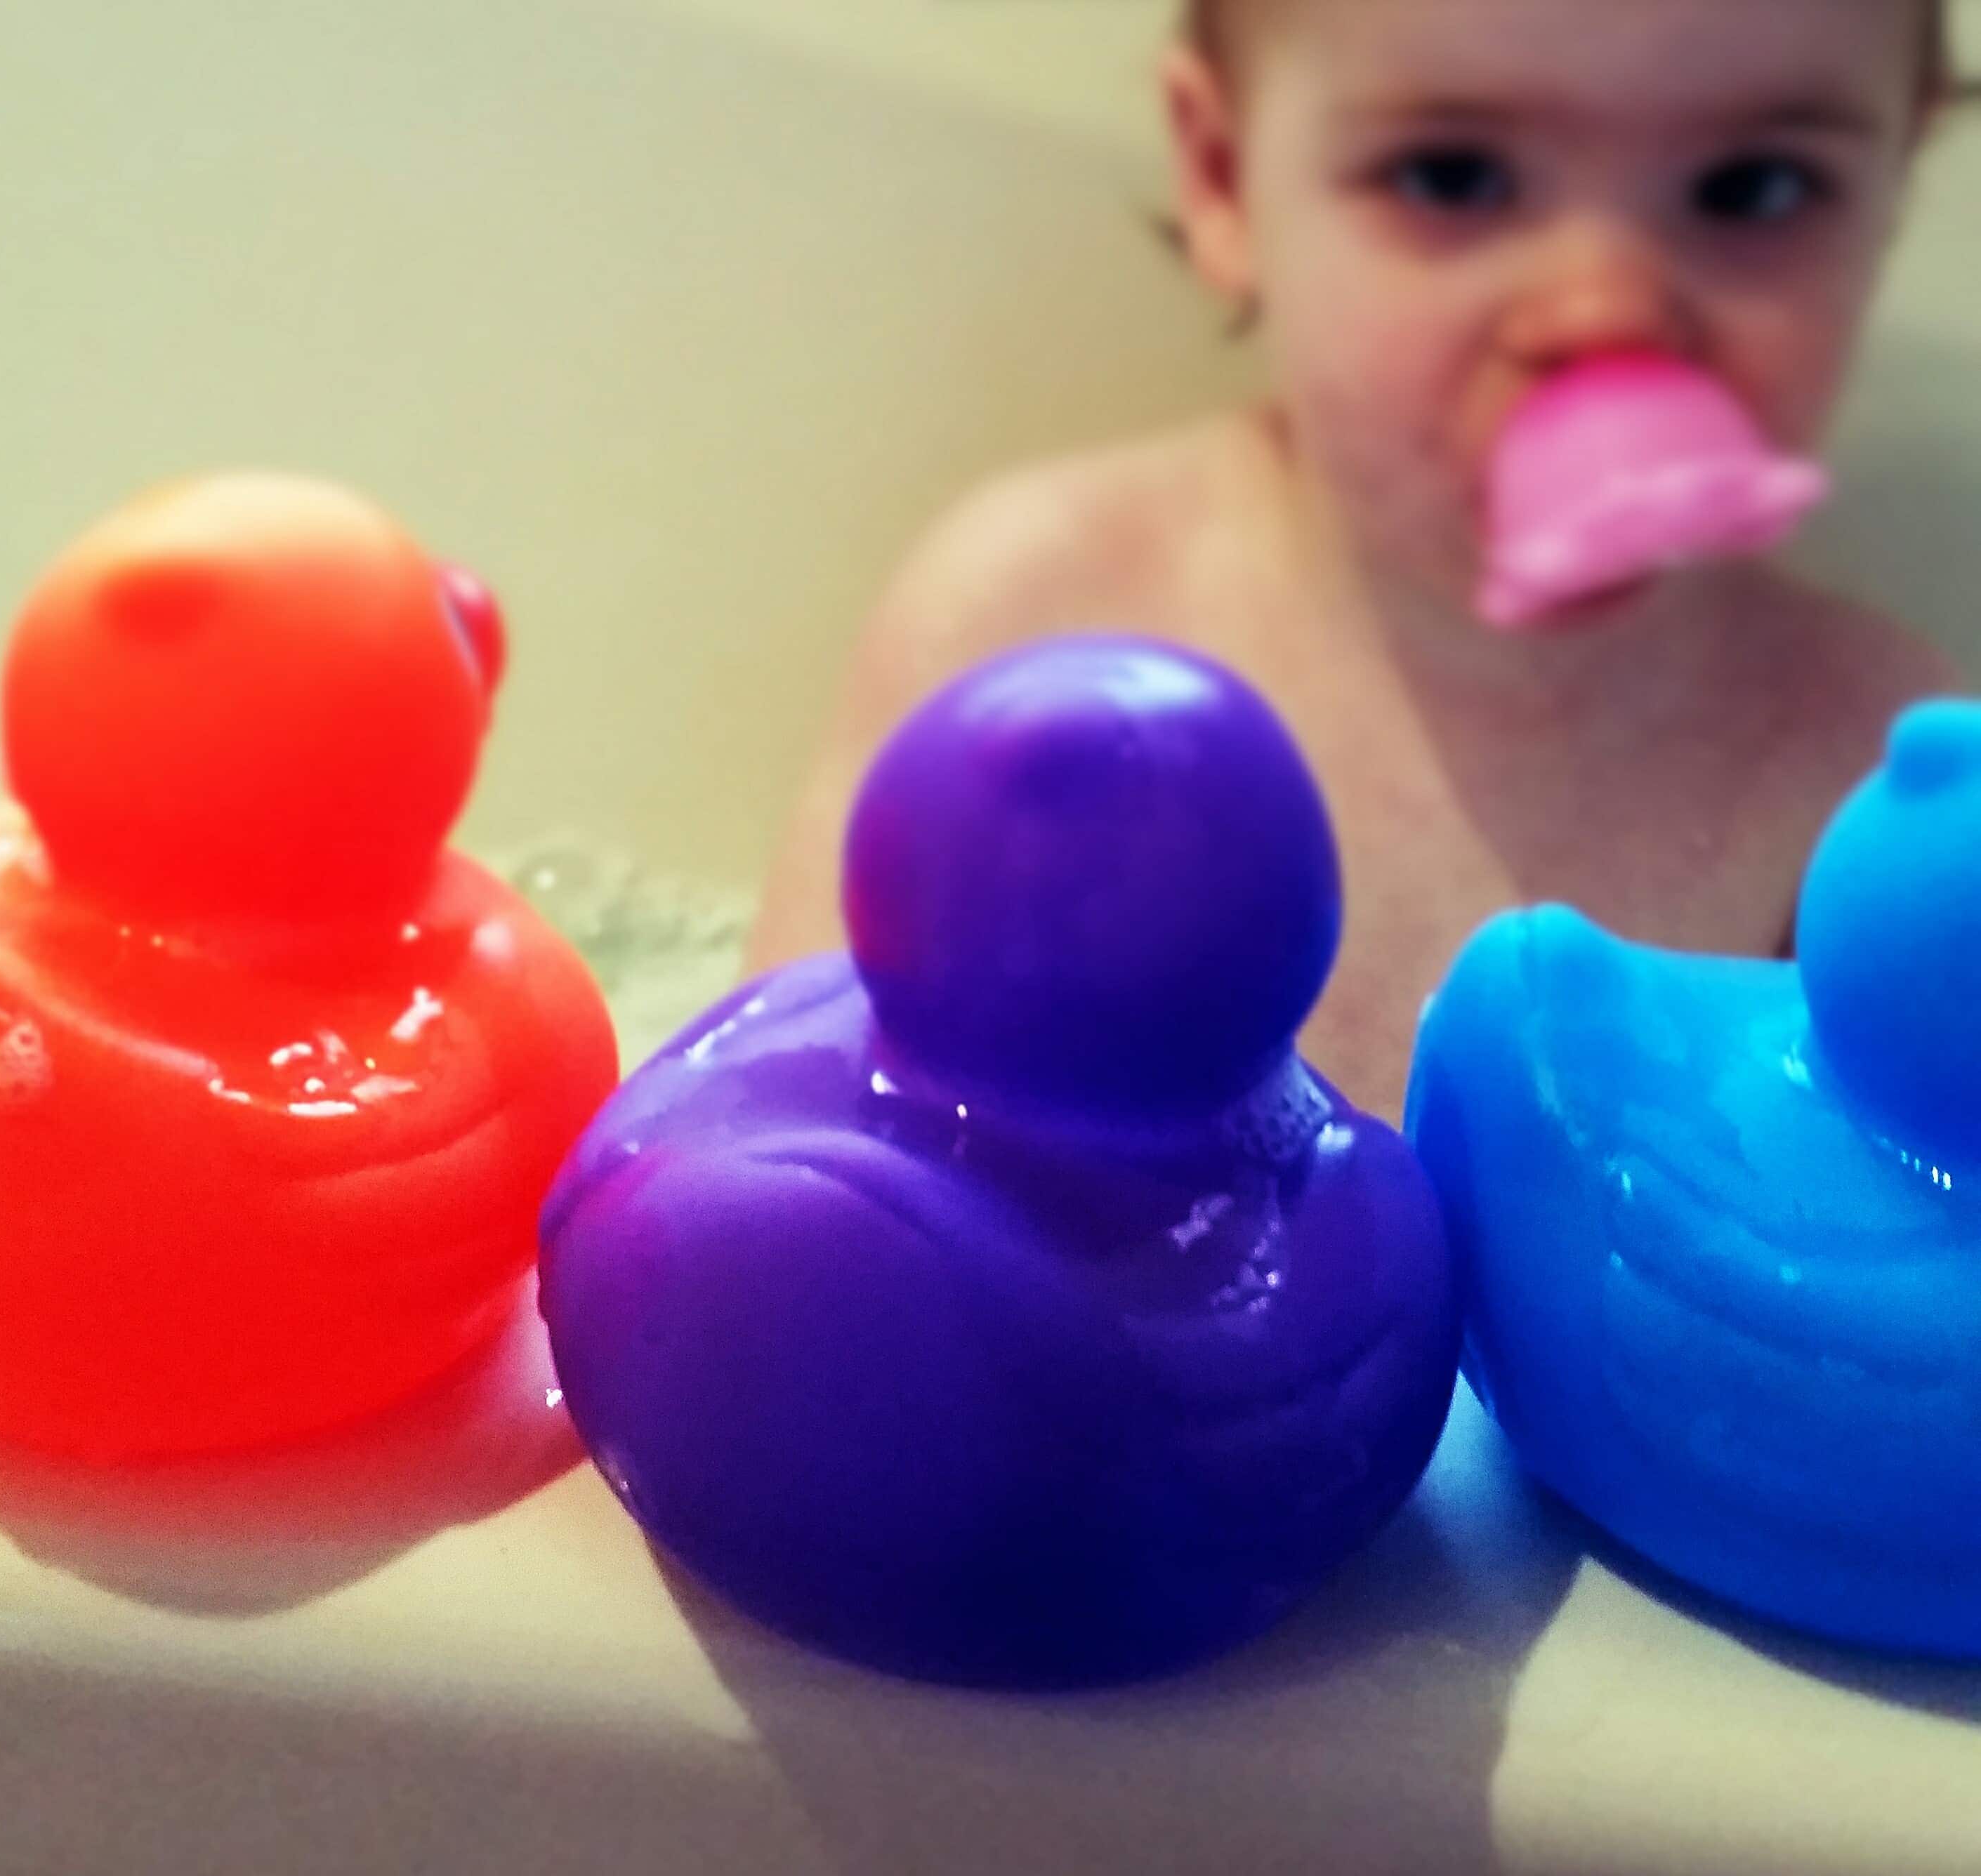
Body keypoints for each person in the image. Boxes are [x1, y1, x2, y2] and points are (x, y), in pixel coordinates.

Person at [747, 0, 1965, 1120]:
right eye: (1455, 175)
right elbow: (772, 1132)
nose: (1606, 309)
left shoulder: (1894, 775)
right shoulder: (1039, 616)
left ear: (1895, 180)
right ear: (1225, 179)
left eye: (1754, 187)